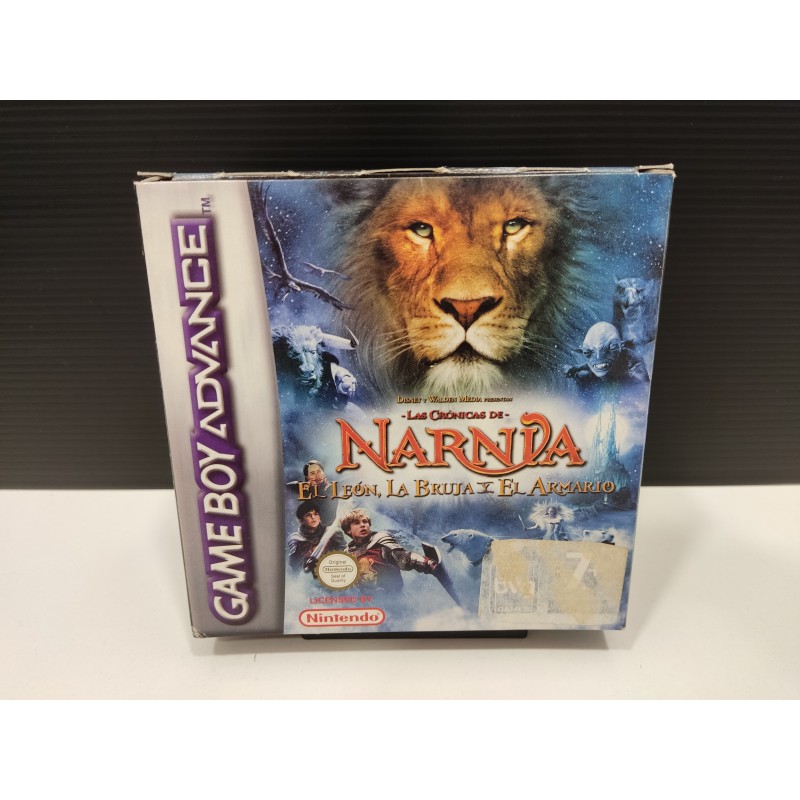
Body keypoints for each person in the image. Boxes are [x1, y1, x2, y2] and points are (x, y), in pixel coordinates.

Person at [341, 508, 438, 592]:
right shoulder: (348, 554)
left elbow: (403, 557)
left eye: (365, 522)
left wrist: (427, 563)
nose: (363, 525)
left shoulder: (380, 540)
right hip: (367, 599)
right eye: (357, 523)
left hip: (392, 596)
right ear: (348, 530)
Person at [287, 500, 346, 572]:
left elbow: (344, 556)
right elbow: (295, 567)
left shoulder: (332, 533)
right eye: (308, 515)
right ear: (301, 520)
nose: (313, 517)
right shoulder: (296, 539)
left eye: (316, 514)